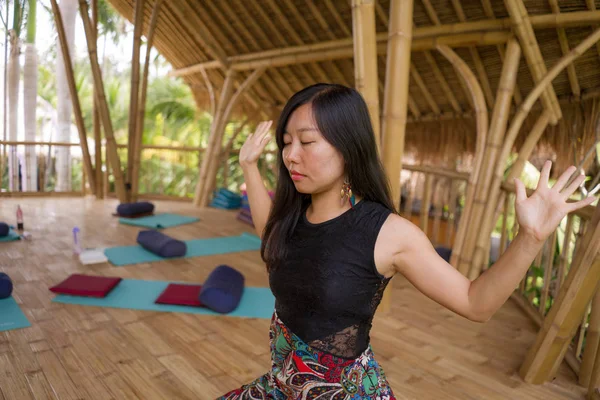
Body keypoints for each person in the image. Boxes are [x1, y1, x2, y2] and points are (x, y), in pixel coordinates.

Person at [217, 83, 596, 400]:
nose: (290, 155)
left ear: (348, 148)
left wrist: (529, 238)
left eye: (306, 142)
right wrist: (249, 165)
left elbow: (475, 302)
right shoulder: (293, 217)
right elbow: (270, 237)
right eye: (286, 142)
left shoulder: (389, 233)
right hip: (283, 386)